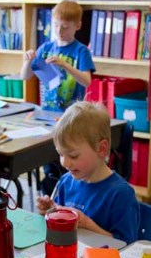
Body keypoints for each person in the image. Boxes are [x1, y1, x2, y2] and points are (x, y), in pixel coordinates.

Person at [36, 101, 140, 245]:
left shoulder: (121, 194)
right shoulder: (66, 182)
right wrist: (51, 210)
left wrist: (86, 223)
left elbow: (126, 246)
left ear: (101, 149)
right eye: (61, 154)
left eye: (73, 156)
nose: (65, 163)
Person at [20, 0, 95, 195]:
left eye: (65, 27)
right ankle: (50, 198)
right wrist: (28, 61)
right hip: (47, 116)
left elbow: (87, 81)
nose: (59, 31)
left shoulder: (81, 51)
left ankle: (66, 198)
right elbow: (24, 76)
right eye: (55, 26)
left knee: (67, 163)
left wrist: (66, 65)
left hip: (71, 118)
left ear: (77, 26)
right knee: (49, 161)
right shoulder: (46, 47)